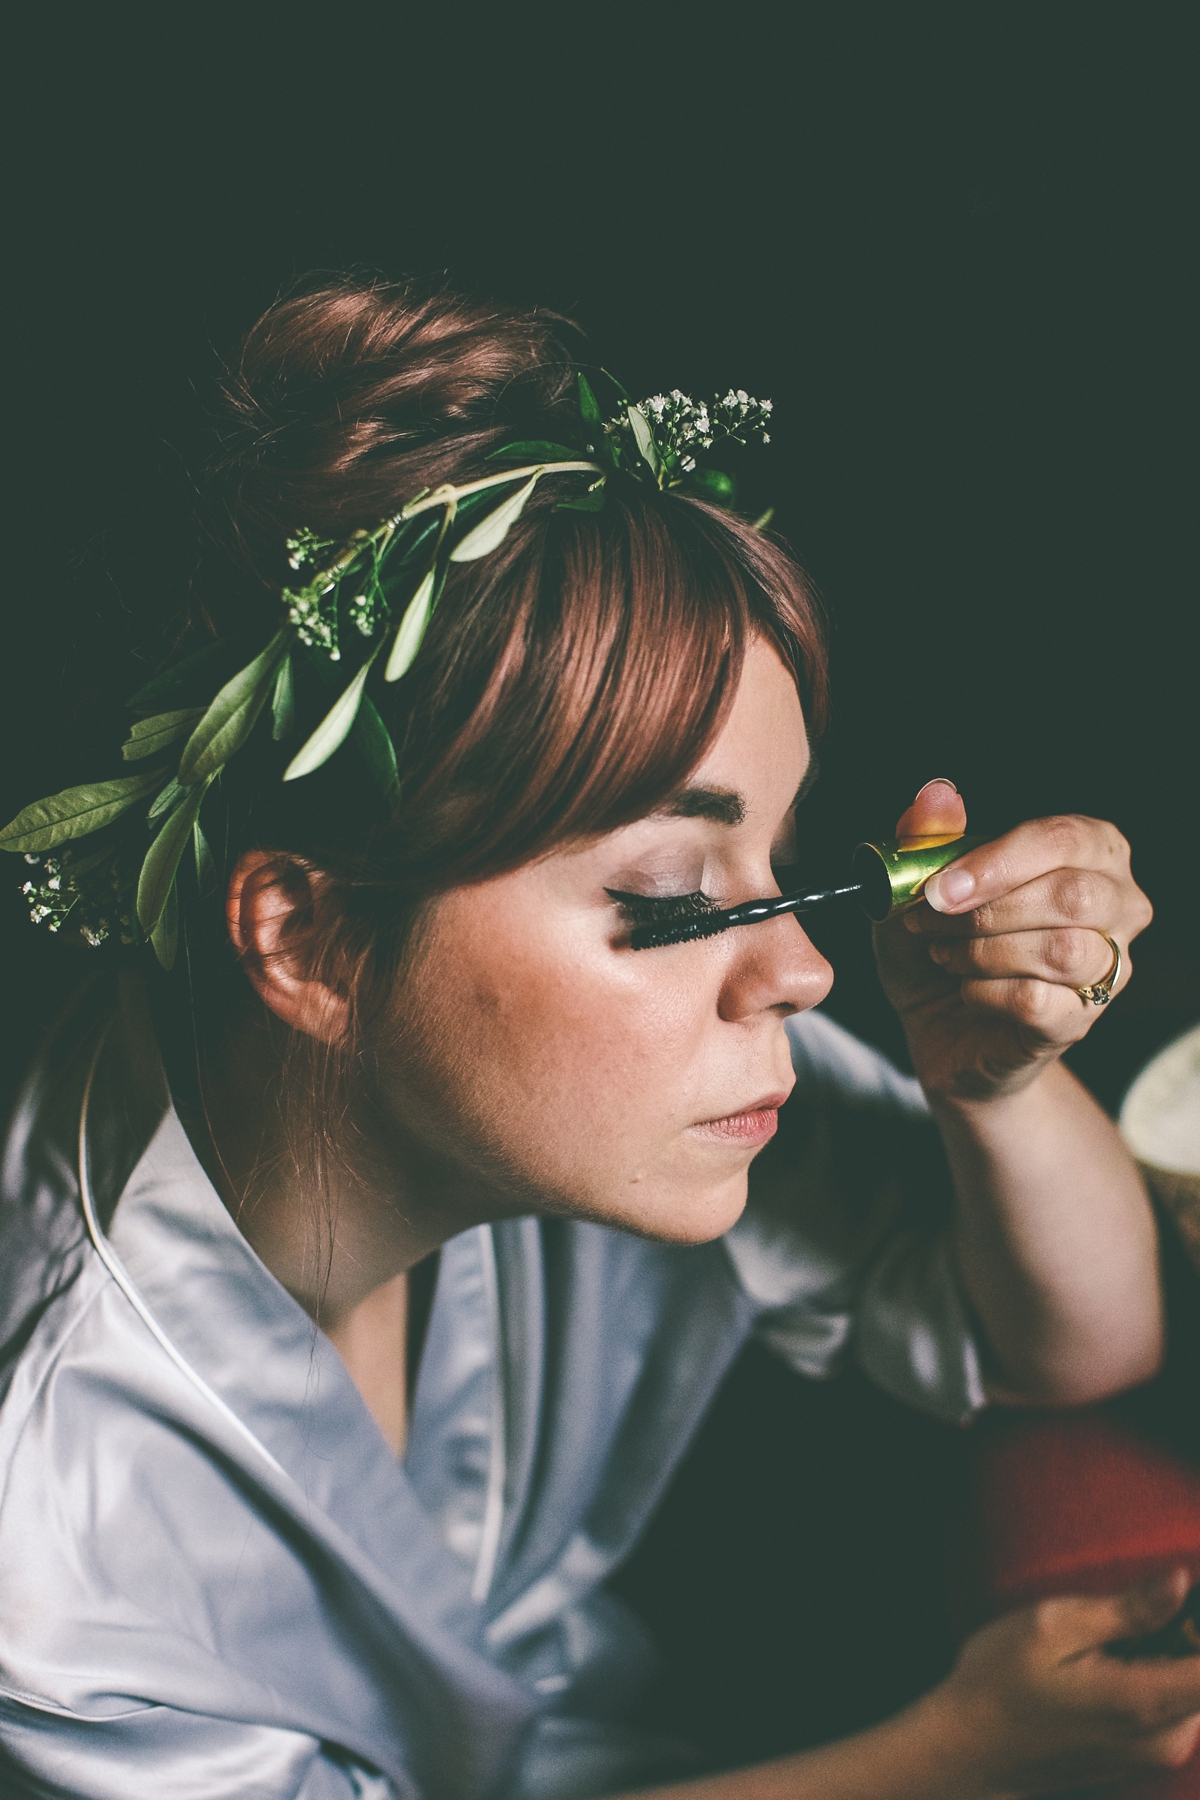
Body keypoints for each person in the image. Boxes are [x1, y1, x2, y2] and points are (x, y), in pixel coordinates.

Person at [0, 278, 1189, 1800]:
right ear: (302, 936)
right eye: (677, 889)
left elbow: (1076, 1347)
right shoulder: (54, 1540)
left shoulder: (571, 1074)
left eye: (779, 852)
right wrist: (951, 1754)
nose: (805, 970)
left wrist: (993, 1085)